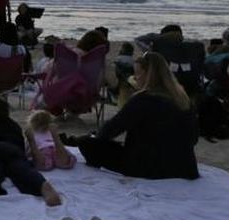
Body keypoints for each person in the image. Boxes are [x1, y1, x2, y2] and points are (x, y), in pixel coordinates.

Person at [67, 52, 198, 179]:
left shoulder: (143, 100)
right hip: (184, 166)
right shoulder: (184, 100)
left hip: (147, 167)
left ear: (148, 75)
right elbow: (194, 138)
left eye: (137, 74)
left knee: (86, 143)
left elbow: (109, 130)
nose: (135, 79)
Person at [0, 98, 63, 205]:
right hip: (12, 149)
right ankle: (42, 185)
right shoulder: (14, 125)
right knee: (22, 168)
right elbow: (21, 148)